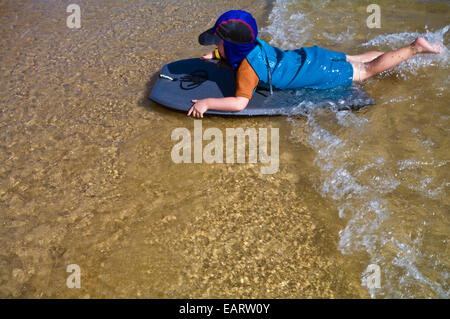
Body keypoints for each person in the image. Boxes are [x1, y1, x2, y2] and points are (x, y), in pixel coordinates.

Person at [188, 10, 442, 118]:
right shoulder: (255, 44)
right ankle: (397, 52)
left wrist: (207, 103)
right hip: (309, 57)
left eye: (220, 43)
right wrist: (219, 56)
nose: (217, 46)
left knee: (366, 71)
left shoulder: (246, 70)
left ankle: (414, 48)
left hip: (317, 72)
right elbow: (238, 50)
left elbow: (240, 103)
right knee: (356, 58)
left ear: (232, 46)